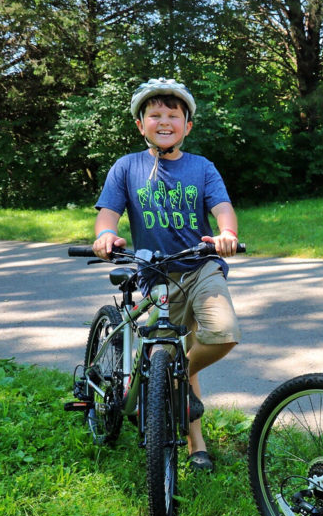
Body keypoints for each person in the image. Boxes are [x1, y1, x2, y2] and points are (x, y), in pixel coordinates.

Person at [92, 77, 241, 474]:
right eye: (154, 114)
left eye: (173, 115)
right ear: (140, 124)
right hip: (155, 274)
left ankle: (171, 381)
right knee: (170, 351)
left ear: (187, 126)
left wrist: (227, 234)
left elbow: (223, 208)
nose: (163, 120)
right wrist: (106, 234)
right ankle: (197, 447)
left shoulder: (201, 167)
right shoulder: (127, 167)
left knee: (220, 333)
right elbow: (108, 214)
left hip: (200, 266)